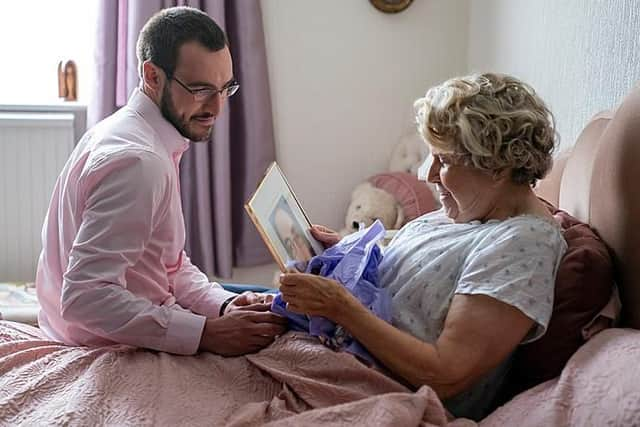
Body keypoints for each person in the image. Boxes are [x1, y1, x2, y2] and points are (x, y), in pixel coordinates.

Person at [278, 73, 568, 420]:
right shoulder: (466, 213)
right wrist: (344, 250)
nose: (425, 174)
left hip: (373, 391)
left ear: (497, 168)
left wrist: (339, 306)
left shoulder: (524, 244)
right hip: (332, 357)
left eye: (443, 161)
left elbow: (445, 373)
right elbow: (412, 276)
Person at [35, 6, 286, 357]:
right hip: (99, 342)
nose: (216, 108)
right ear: (152, 76)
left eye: (225, 88)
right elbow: (85, 297)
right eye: (200, 89)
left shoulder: (129, 131)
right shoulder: (138, 163)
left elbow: (168, 265)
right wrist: (206, 334)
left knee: (267, 304)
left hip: (127, 314)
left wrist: (224, 305)